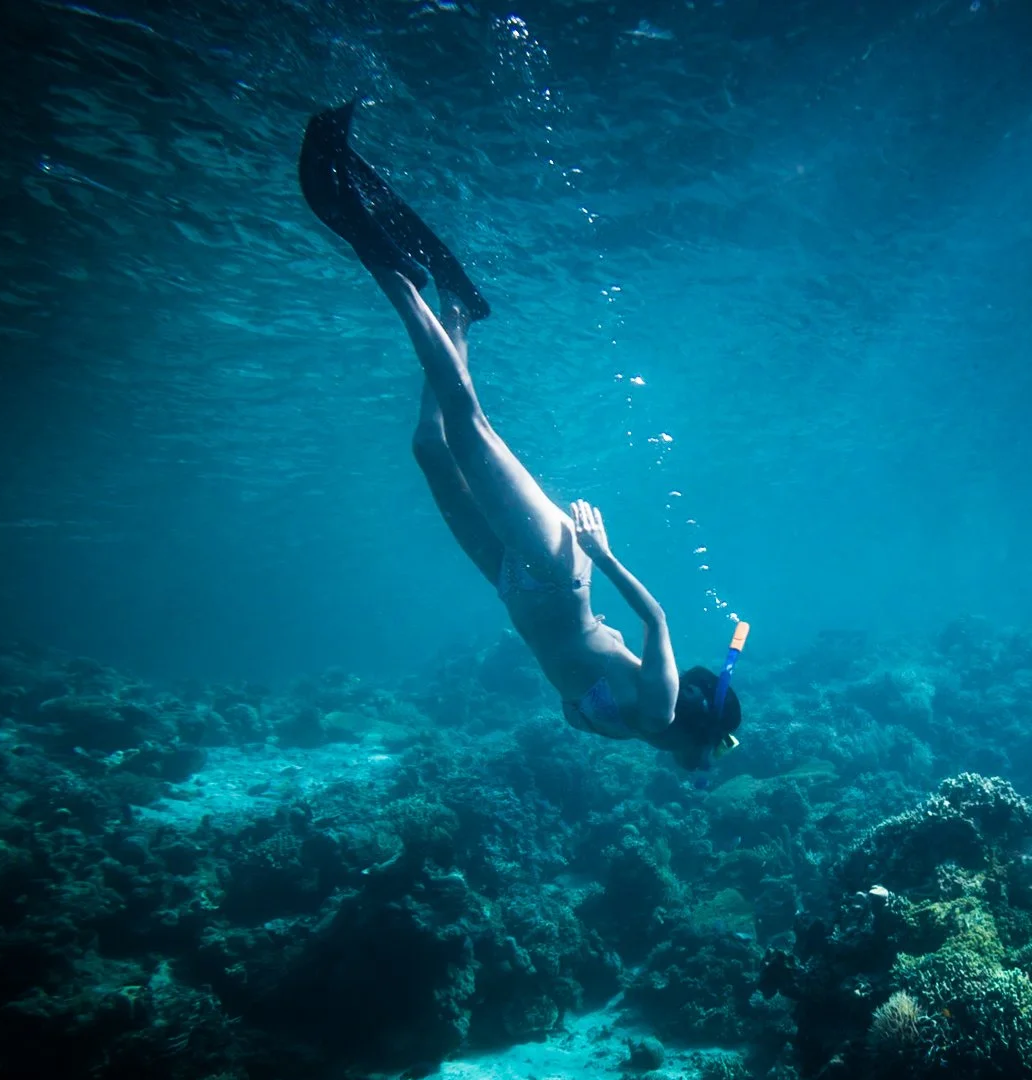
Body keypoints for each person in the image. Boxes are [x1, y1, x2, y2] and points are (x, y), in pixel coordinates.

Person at [298, 103, 742, 770]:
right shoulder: (657, 709)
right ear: (699, 730)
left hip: (512, 585)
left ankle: (458, 312)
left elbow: (575, 688)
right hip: (557, 572)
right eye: (702, 756)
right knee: (468, 425)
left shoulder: (628, 733)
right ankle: (394, 276)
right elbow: (657, 623)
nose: (696, 765)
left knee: (431, 448)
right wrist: (604, 552)